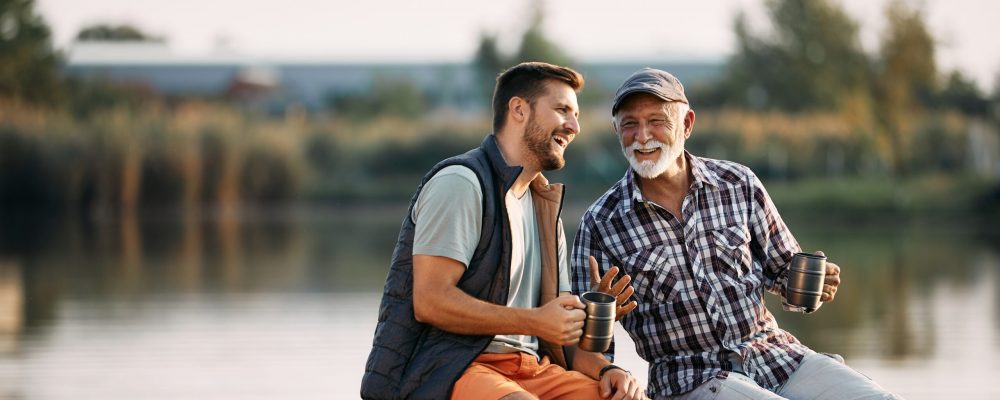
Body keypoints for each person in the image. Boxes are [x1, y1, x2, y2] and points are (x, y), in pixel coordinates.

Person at [571, 68, 902, 399]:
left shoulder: (739, 183)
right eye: (630, 124)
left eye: (656, 121)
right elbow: (583, 346)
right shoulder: (600, 223)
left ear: (686, 124)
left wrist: (810, 285)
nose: (642, 136)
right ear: (617, 131)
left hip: (779, 359)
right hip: (693, 379)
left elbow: (785, 274)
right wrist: (602, 311)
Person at [361, 62, 645, 400]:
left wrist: (605, 364)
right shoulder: (462, 183)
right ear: (519, 110)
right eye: (562, 110)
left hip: (533, 369)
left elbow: (559, 336)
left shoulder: (543, 204)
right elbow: (430, 301)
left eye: (576, 114)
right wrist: (534, 321)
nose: (574, 126)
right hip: (456, 367)